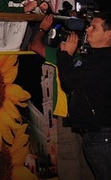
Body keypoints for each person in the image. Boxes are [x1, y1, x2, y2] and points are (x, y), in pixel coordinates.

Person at [35, 12, 111, 180]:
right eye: (88, 26)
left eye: (94, 28)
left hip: (103, 135)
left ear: (108, 34)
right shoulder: (94, 57)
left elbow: (69, 80)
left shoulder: (106, 60)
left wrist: (65, 55)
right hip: (95, 133)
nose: (88, 30)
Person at [29, 14, 96, 180]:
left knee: (69, 163)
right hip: (89, 118)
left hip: (67, 117)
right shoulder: (93, 58)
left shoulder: (61, 57)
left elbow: (34, 46)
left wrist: (42, 29)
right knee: (87, 162)